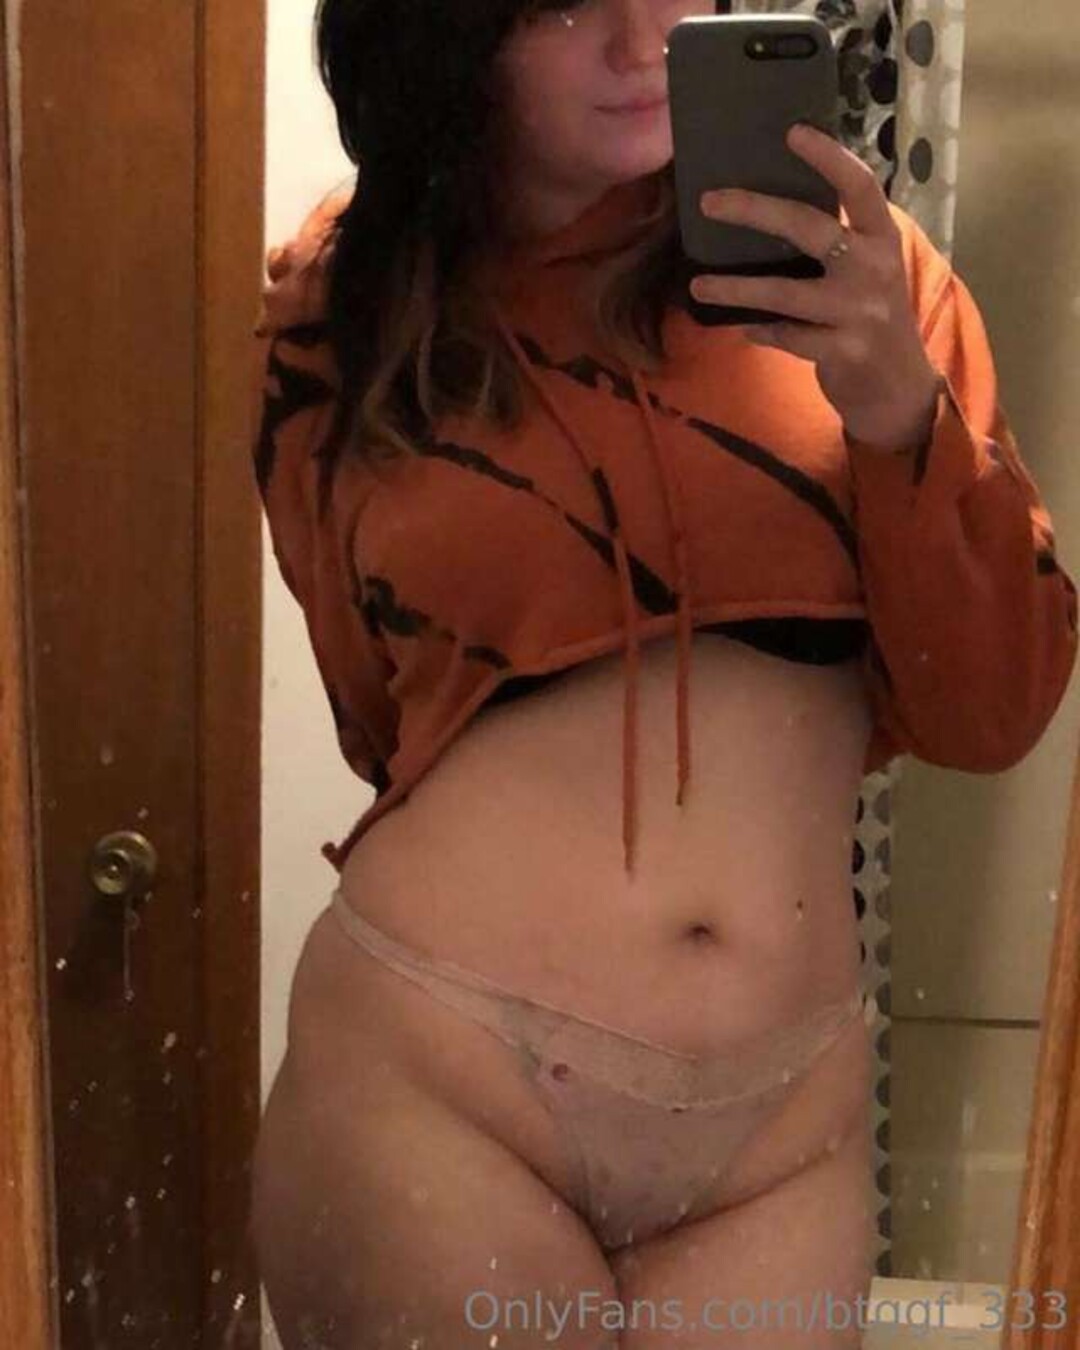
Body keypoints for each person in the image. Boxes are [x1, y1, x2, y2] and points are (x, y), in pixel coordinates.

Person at [248, 1, 1079, 1346]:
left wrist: (898, 416)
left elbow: (993, 711)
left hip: (777, 1138)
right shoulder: (340, 307)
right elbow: (384, 708)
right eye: (567, 2)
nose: (645, 41)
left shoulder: (866, 279)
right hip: (444, 1079)